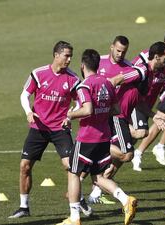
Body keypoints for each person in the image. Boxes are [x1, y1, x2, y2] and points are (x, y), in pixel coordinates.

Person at [9, 41, 91, 218]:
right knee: (24, 166)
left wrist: (71, 114)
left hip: (60, 129)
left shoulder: (73, 79)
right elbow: (24, 95)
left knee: (70, 166)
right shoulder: (38, 74)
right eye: (66, 55)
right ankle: (24, 207)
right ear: (56, 55)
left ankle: (78, 198)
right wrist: (29, 112)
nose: (69, 59)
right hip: (38, 127)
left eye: (70, 56)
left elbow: (80, 101)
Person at [57, 49, 137, 225]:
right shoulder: (108, 84)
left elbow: (87, 110)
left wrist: (70, 115)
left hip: (87, 138)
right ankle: (125, 200)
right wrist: (102, 111)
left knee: (74, 173)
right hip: (104, 138)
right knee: (98, 178)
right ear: (98, 65)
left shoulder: (85, 85)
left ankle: (74, 217)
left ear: (82, 65)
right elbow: (116, 110)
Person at [88, 37, 165, 204]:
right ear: (157, 57)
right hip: (116, 116)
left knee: (123, 153)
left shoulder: (150, 74)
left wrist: (154, 115)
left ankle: (87, 195)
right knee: (126, 153)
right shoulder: (139, 71)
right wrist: (103, 102)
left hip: (121, 117)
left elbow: (138, 100)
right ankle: (95, 147)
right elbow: (114, 80)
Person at [131, 28, 165, 171]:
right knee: (134, 138)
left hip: (148, 103)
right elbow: (130, 80)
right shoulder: (143, 60)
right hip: (136, 104)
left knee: (129, 144)